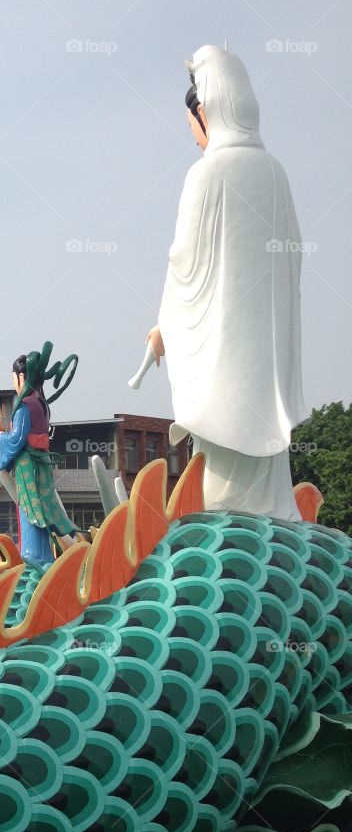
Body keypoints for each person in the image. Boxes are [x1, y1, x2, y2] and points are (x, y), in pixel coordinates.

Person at [145, 44, 308, 521]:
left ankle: (229, 525)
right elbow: (292, 255)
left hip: (222, 342)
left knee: (221, 464)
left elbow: (185, 262)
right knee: (262, 446)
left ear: (205, 111)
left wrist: (165, 328)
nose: (194, 138)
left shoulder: (208, 172)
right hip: (266, 341)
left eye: (192, 124)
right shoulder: (275, 171)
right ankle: (275, 519)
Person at [0, 348, 77, 564]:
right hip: (42, 462)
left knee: (30, 507)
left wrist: (0, 438)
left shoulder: (24, 405)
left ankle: (33, 554)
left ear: (21, 377)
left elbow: (17, 439)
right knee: (43, 506)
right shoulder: (42, 404)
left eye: (14, 378)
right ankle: (43, 554)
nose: (14, 383)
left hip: (27, 463)